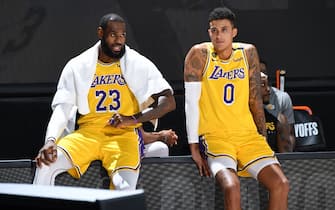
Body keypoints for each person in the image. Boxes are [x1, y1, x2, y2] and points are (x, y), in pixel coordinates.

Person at [33, 13, 176, 191]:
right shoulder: (77, 66)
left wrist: (133, 119)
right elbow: (62, 109)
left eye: (123, 35)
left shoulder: (138, 63)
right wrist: (50, 141)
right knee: (45, 163)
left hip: (123, 136)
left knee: (124, 189)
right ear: (100, 33)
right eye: (113, 35)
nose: (119, 40)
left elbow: (168, 102)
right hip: (88, 134)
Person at [183, 6, 289, 210]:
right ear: (209, 32)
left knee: (281, 184)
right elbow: (191, 104)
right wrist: (194, 147)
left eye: (224, 30)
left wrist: (262, 137)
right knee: (232, 187)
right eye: (214, 30)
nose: (218, 35)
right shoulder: (199, 54)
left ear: (234, 32)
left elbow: (255, 100)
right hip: (216, 137)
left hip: (247, 136)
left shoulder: (247, 53)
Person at [260, 61, 296, 151]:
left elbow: (288, 139)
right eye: (262, 85)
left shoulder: (280, 117)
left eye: (267, 84)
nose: (268, 89)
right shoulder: (240, 103)